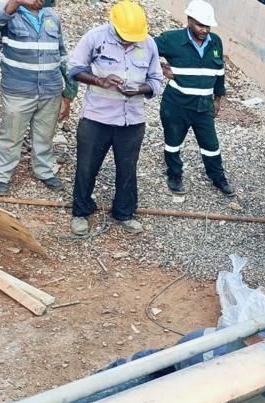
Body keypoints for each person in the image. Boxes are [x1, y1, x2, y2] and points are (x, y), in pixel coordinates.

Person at [67, 1, 164, 236]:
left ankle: (124, 213)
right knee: (87, 167)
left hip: (132, 121)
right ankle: (81, 213)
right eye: (125, 37)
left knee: (127, 168)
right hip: (96, 118)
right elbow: (73, 69)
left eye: (133, 38)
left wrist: (140, 89)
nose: (130, 41)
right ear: (114, 25)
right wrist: (99, 80)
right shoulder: (95, 38)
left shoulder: (148, 43)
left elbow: (157, 81)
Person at [0, 0, 77, 196]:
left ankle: (43, 170)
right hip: (18, 90)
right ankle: (1, 175)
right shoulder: (10, 14)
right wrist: (16, 2)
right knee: (11, 135)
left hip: (50, 89)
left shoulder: (52, 16)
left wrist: (68, 94)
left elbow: (62, 55)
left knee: (45, 135)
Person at [154, 0, 234, 197]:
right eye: (200, 25)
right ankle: (174, 175)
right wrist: (158, 68)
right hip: (176, 105)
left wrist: (218, 98)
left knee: (211, 145)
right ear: (189, 20)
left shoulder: (215, 41)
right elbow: (143, 49)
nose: (205, 30)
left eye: (207, 26)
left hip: (204, 105)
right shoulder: (171, 39)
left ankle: (218, 177)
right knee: (173, 142)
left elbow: (219, 71)